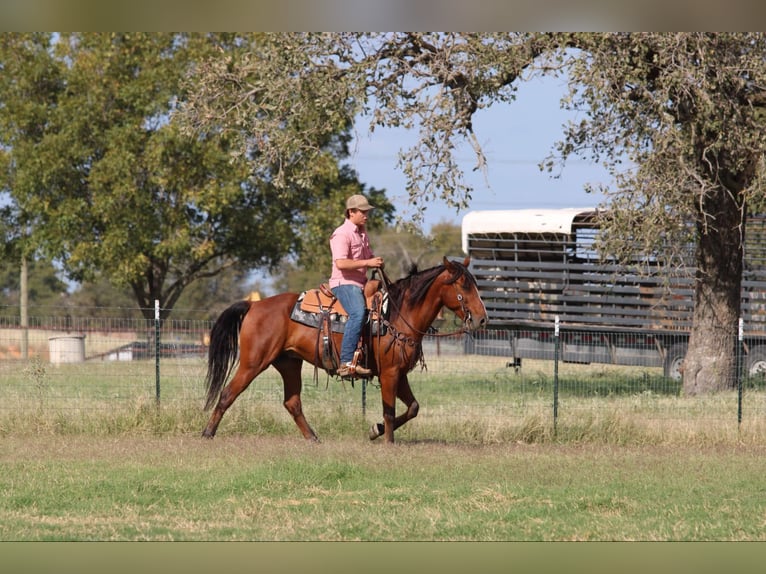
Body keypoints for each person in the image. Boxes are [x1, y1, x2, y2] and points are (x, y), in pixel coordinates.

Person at [328, 194, 384, 378]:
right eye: (363, 211)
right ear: (351, 212)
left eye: (367, 211)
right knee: (358, 313)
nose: (366, 215)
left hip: (361, 283)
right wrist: (368, 263)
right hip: (344, 283)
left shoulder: (362, 232)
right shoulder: (342, 234)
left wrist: (375, 261)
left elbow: (367, 255)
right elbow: (341, 264)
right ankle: (345, 362)